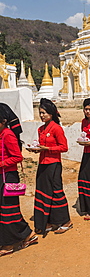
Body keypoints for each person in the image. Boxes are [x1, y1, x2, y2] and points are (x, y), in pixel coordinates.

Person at [30, 98, 72, 235]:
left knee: (56, 192)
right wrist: (37, 149)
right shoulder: (40, 129)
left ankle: (65, 221)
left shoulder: (56, 128)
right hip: (42, 163)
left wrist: (47, 148)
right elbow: (42, 147)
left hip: (53, 164)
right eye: (40, 113)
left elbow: (64, 147)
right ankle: (47, 221)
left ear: (52, 114)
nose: (42, 115)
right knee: (43, 192)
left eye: (44, 113)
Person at [0, 103, 37, 257]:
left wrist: (1, 163)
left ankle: (9, 244)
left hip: (8, 176)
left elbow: (17, 157)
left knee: (8, 211)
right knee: (6, 210)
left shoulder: (8, 135)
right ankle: (26, 235)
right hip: (2, 176)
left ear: (2, 121)